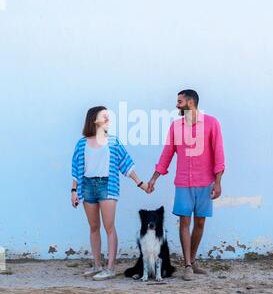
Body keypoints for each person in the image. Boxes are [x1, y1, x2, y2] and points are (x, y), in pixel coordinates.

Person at [147, 90, 225, 281]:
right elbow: (167, 153)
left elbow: (219, 154)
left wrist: (218, 183)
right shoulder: (176, 127)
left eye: (179, 101)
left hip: (205, 183)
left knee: (200, 222)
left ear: (190, 103)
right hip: (183, 182)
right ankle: (187, 265)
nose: (177, 105)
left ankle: (192, 259)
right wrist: (154, 177)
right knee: (184, 222)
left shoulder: (212, 123)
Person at [71, 106, 148, 281]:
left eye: (108, 116)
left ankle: (110, 268)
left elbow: (126, 165)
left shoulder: (113, 141)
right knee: (93, 227)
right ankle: (97, 265)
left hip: (107, 185)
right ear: (94, 119)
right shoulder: (82, 143)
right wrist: (74, 190)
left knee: (109, 227)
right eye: (103, 116)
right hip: (88, 186)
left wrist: (141, 184)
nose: (107, 118)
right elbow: (76, 168)